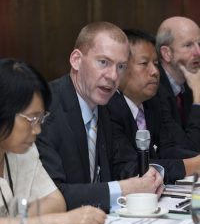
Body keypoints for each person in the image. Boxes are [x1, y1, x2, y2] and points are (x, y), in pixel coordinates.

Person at [36, 21, 164, 213]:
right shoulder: (45, 109)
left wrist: (151, 176)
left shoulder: (106, 105)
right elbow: (53, 196)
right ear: (76, 60)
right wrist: (125, 189)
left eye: (121, 66)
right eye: (103, 62)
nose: (113, 76)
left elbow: (120, 164)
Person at [0, 58, 106, 224]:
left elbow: (56, 201)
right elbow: (56, 213)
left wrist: (11, 223)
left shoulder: (24, 151)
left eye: (40, 118)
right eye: (32, 119)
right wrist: (56, 221)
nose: (37, 129)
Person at [107, 29, 200, 184]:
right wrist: (192, 165)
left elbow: (168, 148)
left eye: (156, 64)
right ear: (120, 68)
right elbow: (128, 169)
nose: (155, 71)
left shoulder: (153, 102)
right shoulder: (109, 108)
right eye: (144, 64)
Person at [156, 16, 200, 152]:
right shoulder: (154, 90)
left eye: (199, 44)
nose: (198, 52)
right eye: (188, 45)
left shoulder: (189, 83)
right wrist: (198, 98)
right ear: (167, 53)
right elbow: (188, 150)